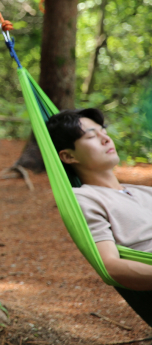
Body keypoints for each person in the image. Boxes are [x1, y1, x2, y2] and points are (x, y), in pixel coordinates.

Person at [48, 108, 152, 291]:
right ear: (68, 156)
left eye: (104, 131)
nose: (106, 139)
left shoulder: (144, 192)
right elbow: (109, 265)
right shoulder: (86, 198)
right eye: (91, 136)